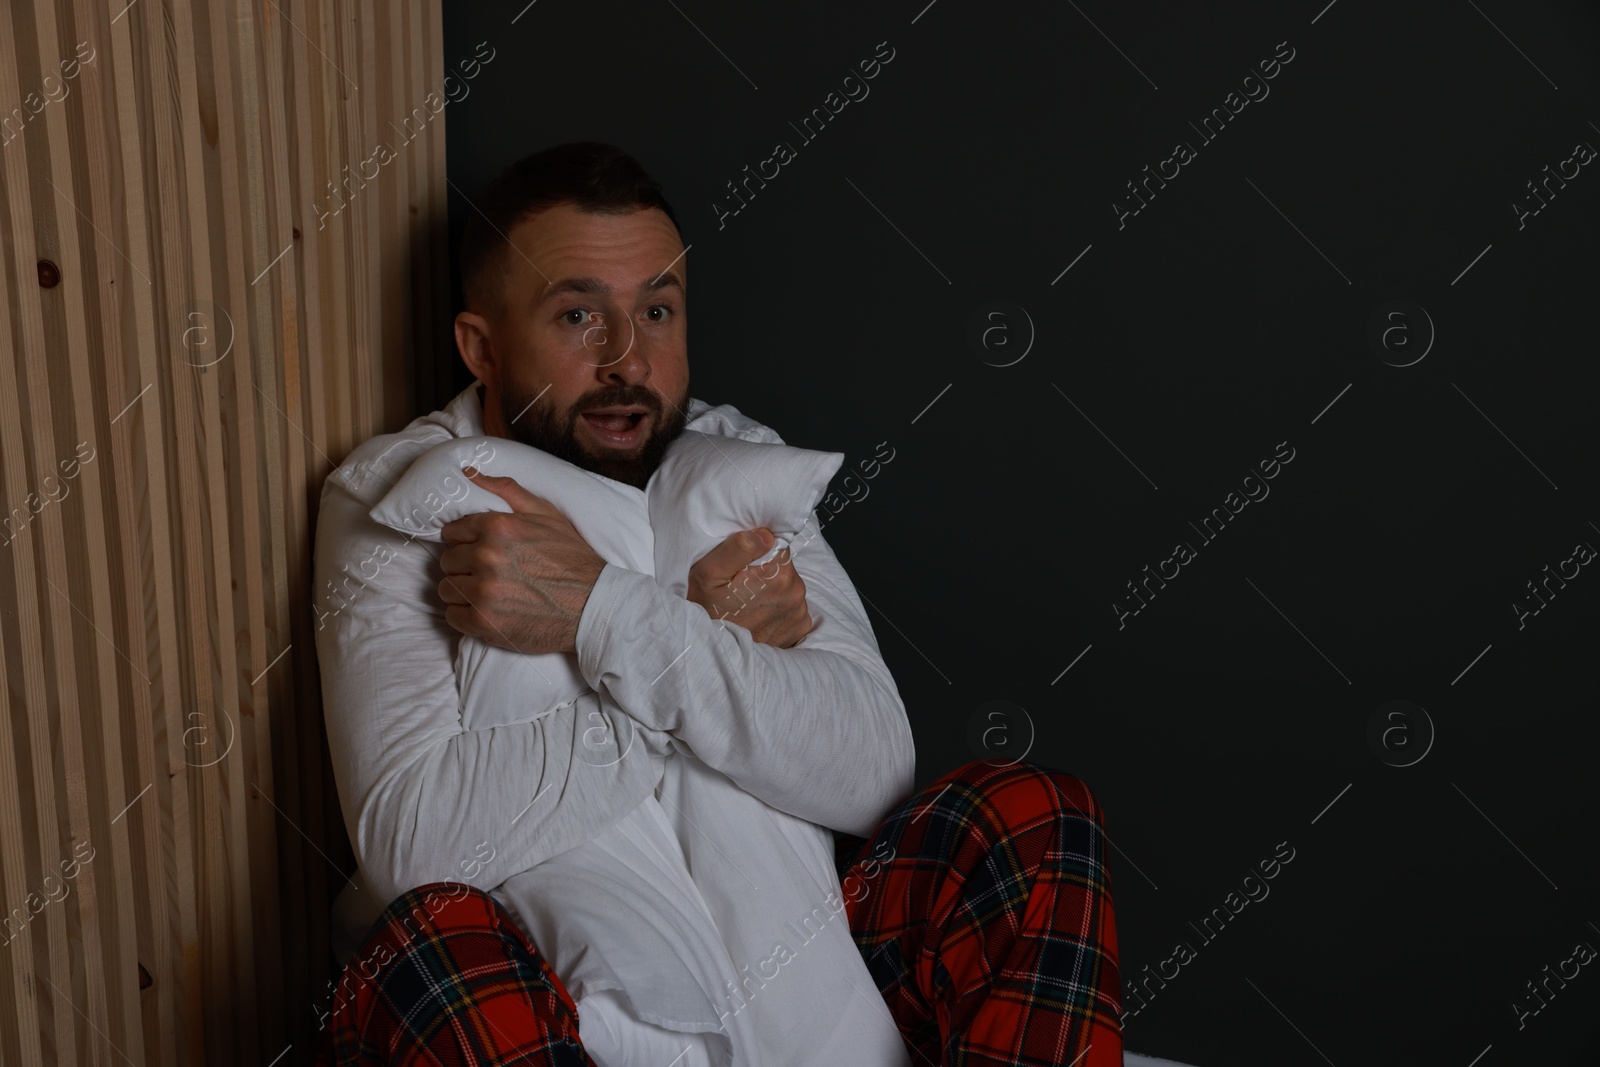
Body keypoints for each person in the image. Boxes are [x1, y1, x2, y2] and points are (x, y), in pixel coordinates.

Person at [311, 142, 1123, 1066]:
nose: (629, 357)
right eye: (579, 314)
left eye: (656, 309)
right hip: (550, 1005)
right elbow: (413, 845)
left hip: (810, 951)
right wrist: (699, 658)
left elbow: (870, 766)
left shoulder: (737, 468)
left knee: (1029, 812)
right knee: (426, 951)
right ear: (482, 346)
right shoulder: (400, 497)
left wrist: (605, 614)